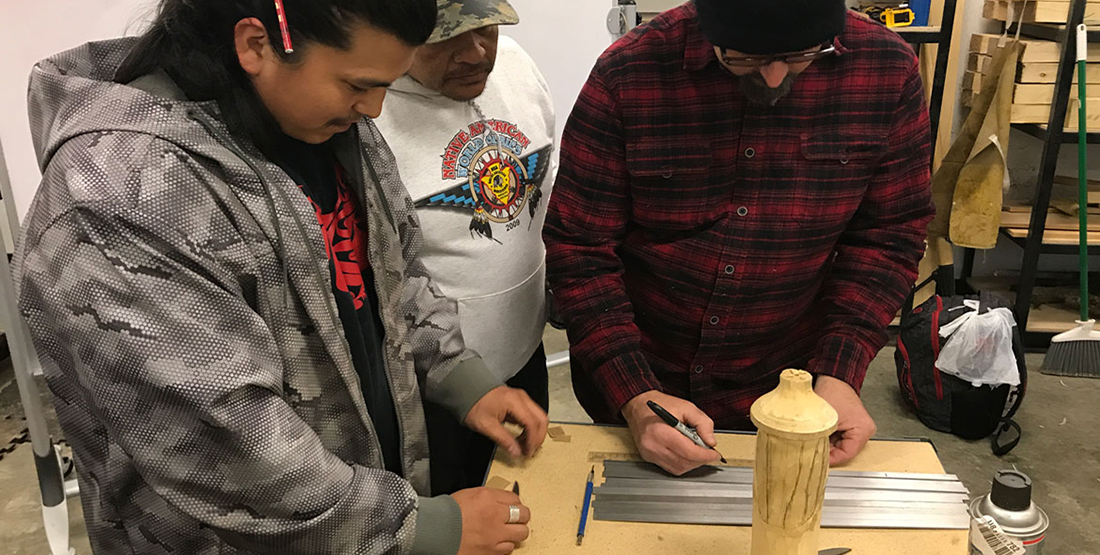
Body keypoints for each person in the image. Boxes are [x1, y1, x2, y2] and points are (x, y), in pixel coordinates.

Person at [14, 1, 548, 554]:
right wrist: (417, 530)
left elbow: (395, 273)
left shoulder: (323, 121)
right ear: (256, 44)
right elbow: (225, 444)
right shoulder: (119, 196)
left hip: (360, 511)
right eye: (358, 84)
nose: (375, 108)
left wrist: (459, 376)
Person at [544, 0, 935, 476]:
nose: (772, 79)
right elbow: (579, 248)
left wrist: (841, 371)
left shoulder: (885, 71)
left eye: (798, 56)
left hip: (792, 385)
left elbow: (888, 237)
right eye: (743, 58)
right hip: (640, 379)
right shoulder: (631, 71)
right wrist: (634, 395)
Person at [373, 0, 555, 494]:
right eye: (446, 37)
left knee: (526, 501)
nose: (476, 52)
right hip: (430, 386)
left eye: (486, 29)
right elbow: (386, 276)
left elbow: (547, 181)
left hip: (523, 353)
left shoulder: (515, 63)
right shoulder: (368, 111)